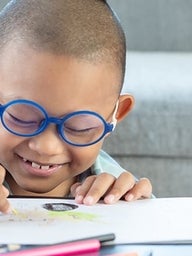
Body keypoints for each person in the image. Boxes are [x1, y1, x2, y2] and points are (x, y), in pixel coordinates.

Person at [0, 0, 152, 214]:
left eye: (79, 128)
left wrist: (140, 214)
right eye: (21, 117)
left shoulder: (116, 192)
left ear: (114, 115)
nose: (46, 147)